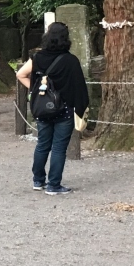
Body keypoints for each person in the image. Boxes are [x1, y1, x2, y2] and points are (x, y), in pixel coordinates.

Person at [16, 22, 89, 196]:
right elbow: (79, 87)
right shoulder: (70, 61)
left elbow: (20, 74)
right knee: (58, 148)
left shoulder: (37, 58)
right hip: (63, 109)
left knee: (42, 144)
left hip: (42, 109)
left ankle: (38, 180)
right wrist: (81, 109)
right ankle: (54, 184)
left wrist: (34, 91)